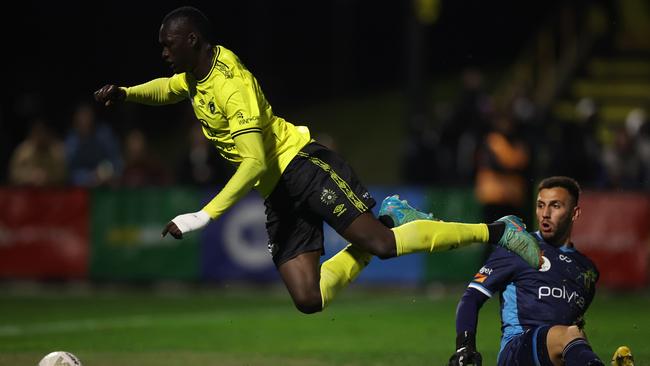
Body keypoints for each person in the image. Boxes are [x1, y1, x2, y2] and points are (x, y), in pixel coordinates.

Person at [94, 6, 542, 314]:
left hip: (302, 168)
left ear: (192, 40)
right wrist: (128, 92)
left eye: (168, 44)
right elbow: (168, 87)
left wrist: (203, 215)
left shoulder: (234, 86)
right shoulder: (195, 75)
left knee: (384, 247)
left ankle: (500, 230)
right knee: (308, 299)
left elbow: (251, 163)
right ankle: (385, 222)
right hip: (278, 193)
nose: (164, 51)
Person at [448, 176, 620, 366]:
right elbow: (472, 296)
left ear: (575, 213)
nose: (545, 213)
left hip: (555, 355)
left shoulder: (587, 271)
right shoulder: (517, 247)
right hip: (516, 352)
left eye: (555, 206)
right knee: (571, 333)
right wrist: (465, 345)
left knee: (575, 334)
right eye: (540, 205)